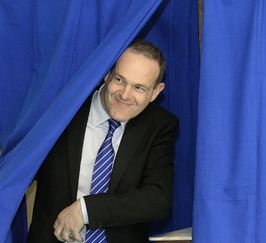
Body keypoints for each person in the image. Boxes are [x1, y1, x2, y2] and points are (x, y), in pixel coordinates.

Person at [28, 39, 179, 243]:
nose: (125, 95)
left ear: (155, 92)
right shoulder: (63, 111)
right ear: (107, 74)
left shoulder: (160, 125)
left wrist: (86, 210)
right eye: (119, 79)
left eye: (139, 88)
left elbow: (157, 199)